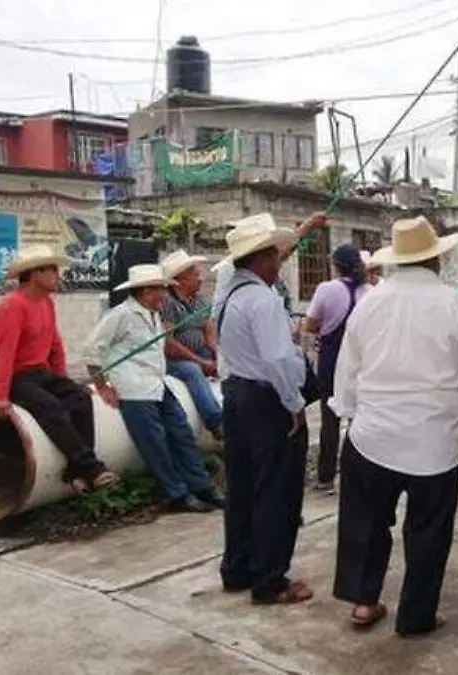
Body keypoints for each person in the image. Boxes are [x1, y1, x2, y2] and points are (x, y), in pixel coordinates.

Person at [331, 216, 458, 636]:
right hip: (434, 442)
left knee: (366, 523)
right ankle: (416, 616)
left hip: (372, 437)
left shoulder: (369, 303)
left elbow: (347, 369)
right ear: (435, 259)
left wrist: (349, 412)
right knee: (428, 531)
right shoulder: (456, 305)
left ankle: (364, 603)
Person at [213, 213, 314, 606]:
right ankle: (270, 579)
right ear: (261, 258)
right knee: (276, 490)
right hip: (266, 399)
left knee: (242, 488)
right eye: (275, 256)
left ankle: (237, 567)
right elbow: (276, 359)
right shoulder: (263, 300)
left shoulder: (229, 296)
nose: (278, 263)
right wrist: (294, 403)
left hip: (237, 395)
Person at [83, 264, 224, 513]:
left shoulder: (153, 314)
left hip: (158, 383)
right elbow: (92, 350)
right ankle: (177, 494)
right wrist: (102, 386)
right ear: (146, 292)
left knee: (182, 433)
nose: (165, 295)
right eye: (160, 289)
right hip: (134, 389)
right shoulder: (120, 315)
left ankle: (202, 487)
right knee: (154, 443)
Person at [0, 244, 117, 494]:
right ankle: (91, 468)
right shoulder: (12, 305)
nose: (58, 275)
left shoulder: (46, 302)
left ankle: (75, 471)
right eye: (52, 270)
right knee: (51, 407)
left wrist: (63, 381)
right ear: (35, 273)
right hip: (17, 378)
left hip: (41, 374)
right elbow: (4, 353)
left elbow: (55, 345)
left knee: (80, 397)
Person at [303, 245, 369, 494]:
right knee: (358, 418)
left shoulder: (327, 289)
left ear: (336, 266)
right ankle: (356, 475)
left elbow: (310, 326)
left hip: (332, 360)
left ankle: (326, 478)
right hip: (360, 361)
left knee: (330, 420)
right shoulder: (369, 292)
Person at [160, 250, 224, 440]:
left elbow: (209, 333)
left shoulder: (200, 301)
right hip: (174, 359)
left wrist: (218, 357)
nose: (201, 279)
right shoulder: (167, 302)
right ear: (180, 280)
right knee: (191, 370)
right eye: (195, 274)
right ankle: (216, 422)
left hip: (200, 352)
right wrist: (201, 362)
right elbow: (168, 344)